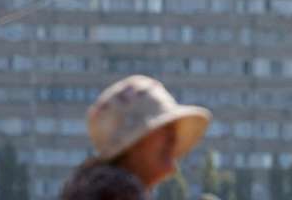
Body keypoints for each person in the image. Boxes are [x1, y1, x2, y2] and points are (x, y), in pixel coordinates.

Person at [61, 75, 212, 200]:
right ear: (135, 142)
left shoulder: (93, 184)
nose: (173, 137)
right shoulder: (116, 192)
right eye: (165, 127)